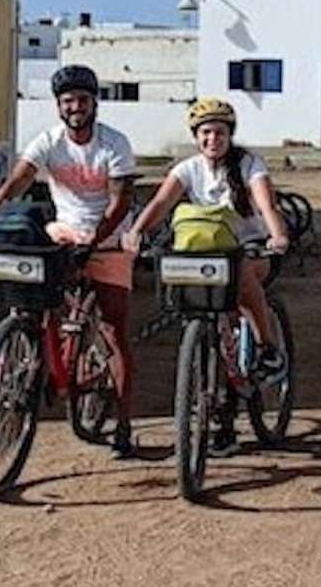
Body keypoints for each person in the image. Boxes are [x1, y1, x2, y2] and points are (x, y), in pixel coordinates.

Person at [0, 64, 139, 455]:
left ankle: (123, 423)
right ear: (59, 106)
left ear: (94, 103)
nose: (76, 107)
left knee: (112, 329)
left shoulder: (114, 144)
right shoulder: (49, 141)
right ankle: (31, 354)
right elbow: (16, 184)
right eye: (68, 101)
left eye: (82, 100)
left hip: (108, 237)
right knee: (32, 298)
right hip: (65, 231)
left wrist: (98, 237)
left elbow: (120, 198)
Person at [121, 98, 291, 455]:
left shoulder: (249, 165)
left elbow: (265, 205)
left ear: (230, 135)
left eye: (220, 132)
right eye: (206, 133)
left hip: (251, 249)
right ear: (196, 137)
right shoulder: (187, 169)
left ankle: (266, 346)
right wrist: (136, 232)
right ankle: (212, 406)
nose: (213, 139)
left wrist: (277, 236)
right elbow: (159, 205)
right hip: (204, 256)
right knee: (204, 324)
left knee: (242, 277)